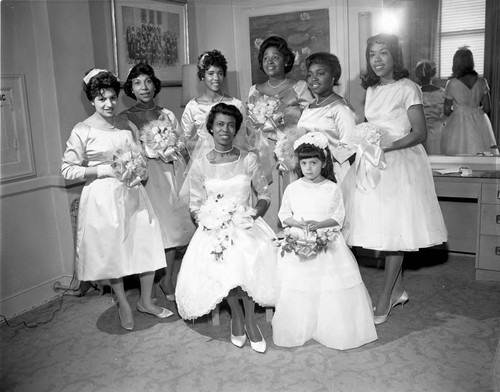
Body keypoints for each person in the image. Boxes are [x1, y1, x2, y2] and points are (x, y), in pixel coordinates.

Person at [341, 34, 448, 325]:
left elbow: (419, 133)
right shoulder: (372, 90)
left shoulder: (408, 87)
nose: (376, 60)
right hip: (375, 164)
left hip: (401, 162)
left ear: (395, 57)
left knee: (395, 233)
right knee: (386, 229)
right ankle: (399, 289)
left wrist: (388, 145)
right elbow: (370, 125)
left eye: (383, 53)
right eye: (372, 54)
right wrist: (362, 139)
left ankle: (385, 296)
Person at [61, 69, 172, 331]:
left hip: (132, 192)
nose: (109, 104)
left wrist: (140, 171)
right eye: (102, 99)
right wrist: (102, 170)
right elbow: (67, 169)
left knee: (147, 243)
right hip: (103, 198)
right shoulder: (83, 130)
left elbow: (139, 157)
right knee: (114, 252)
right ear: (91, 100)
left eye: (112, 98)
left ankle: (146, 300)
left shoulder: (127, 125)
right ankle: (122, 301)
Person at [175, 103, 276, 353]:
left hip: (246, 223)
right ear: (211, 127)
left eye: (231, 125)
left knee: (245, 256)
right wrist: (209, 221)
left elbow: (264, 195)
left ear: (236, 129)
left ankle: (250, 319)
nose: (225, 129)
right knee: (224, 261)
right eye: (220, 124)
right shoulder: (200, 165)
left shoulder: (249, 159)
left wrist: (252, 215)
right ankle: (237, 317)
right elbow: (196, 203)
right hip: (215, 228)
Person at [272, 132, 377, 350]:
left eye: (313, 162)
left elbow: (338, 217)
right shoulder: (293, 188)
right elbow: (284, 215)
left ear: (323, 162)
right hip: (300, 238)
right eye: (304, 163)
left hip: (326, 240)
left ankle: (328, 326)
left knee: (329, 283)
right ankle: (302, 324)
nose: (308, 168)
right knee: (300, 284)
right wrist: (298, 224)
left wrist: (318, 225)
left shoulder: (331, 188)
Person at [120, 63, 195, 302]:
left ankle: (168, 277)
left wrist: (172, 149)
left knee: (172, 230)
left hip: (167, 175)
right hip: (144, 179)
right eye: (137, 83)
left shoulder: (167, 114)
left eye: (148, 81)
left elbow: (182, 145)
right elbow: (126, 152)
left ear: (155, 85)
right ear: (131, 88)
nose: (144, 87)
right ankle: (150, 283)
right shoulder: (125, 118)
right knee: (151, 231)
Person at [247, 36, 314, 233]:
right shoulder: (254, 90)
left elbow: (310, 121)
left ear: (285, 60)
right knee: (264, 199)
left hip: (287, 155)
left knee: (289, 201)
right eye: (266, 58)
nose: (270, 62)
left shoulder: (300, 87)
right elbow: (249, 127)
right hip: (261, 154)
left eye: (275, 57)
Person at [297, 52, 356, 183]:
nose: (314, 78)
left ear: (333, 77)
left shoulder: (341, 108)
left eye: (320, 73)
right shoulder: (308, 108)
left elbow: (350, 146)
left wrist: (324, 167)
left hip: (334, 175)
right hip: (309, 174)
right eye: (310, 75)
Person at [181, 50, 244, 160]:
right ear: (202, 76)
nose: (216, 78)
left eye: (220, 73)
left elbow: (243, 139)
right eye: (210, 73)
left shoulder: (236, 104)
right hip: (204, 162)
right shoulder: (193, 106)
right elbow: (183, 141)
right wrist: (204, 145)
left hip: (231, 160)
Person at [440, 47, 496, 155]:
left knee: (457, 155)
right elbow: (487, 108)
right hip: (479, 121)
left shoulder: (452, 83)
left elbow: (446, 110)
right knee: (480, 154)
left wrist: (458, 112)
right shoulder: (482, 81)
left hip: (457, 123)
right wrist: (474, 112)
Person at [415, 60, 447, 155]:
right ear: (432, 74)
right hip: (439, 131)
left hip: (420, 132)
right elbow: (447, 113)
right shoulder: (441, 92)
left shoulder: (415, 92)